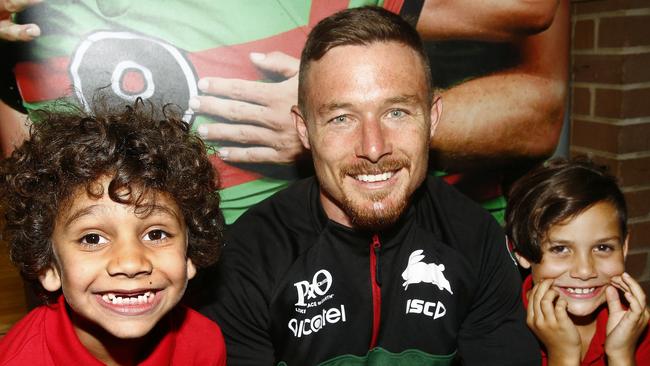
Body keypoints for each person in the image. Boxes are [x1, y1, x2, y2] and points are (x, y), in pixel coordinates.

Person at [0, 0, 567, 225]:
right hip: (154, 283)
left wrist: (333, 120)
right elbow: (36, 201)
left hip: (399, 254)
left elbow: (530, 20)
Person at [200, 7, 540, 365]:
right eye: (341, 118)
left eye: (396, 112)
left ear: (433, 118)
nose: (374, 148)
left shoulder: (476, 239)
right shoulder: (248, 256)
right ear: (303, 129)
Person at [0, 100, 226, 365]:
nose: (131, 263)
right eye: (92, 238)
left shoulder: (204, 344)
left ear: (189, 255)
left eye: (156, 234)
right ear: (48, 267)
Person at [505, 158, 650, 366]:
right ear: (523, 253)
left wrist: (621, 354)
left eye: (603, 248)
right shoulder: (496, 330)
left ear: (624, 247)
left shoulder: (635, 325)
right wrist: (563, 356)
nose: (584, 271)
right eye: (560, 249)